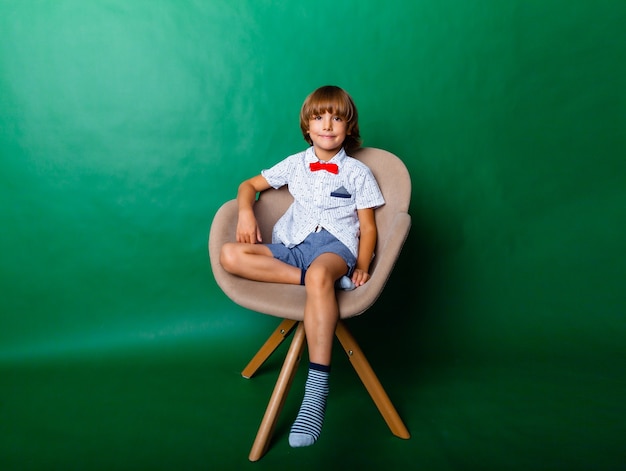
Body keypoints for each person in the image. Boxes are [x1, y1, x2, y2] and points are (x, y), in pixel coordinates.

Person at [220, 85, 385, 448]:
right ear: (307, 127)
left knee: (322, 272)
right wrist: (246, 211)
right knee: (230, 255)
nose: (328, 125)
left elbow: (369, 227)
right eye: (319, 117)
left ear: (349, 126)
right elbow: (248, 185)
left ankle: (317, 387)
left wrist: (361, 264)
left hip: (334, 247)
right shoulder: (296, 163)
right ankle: (316, 283)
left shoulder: (357, 172)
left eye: (337, 118)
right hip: (294, 246)